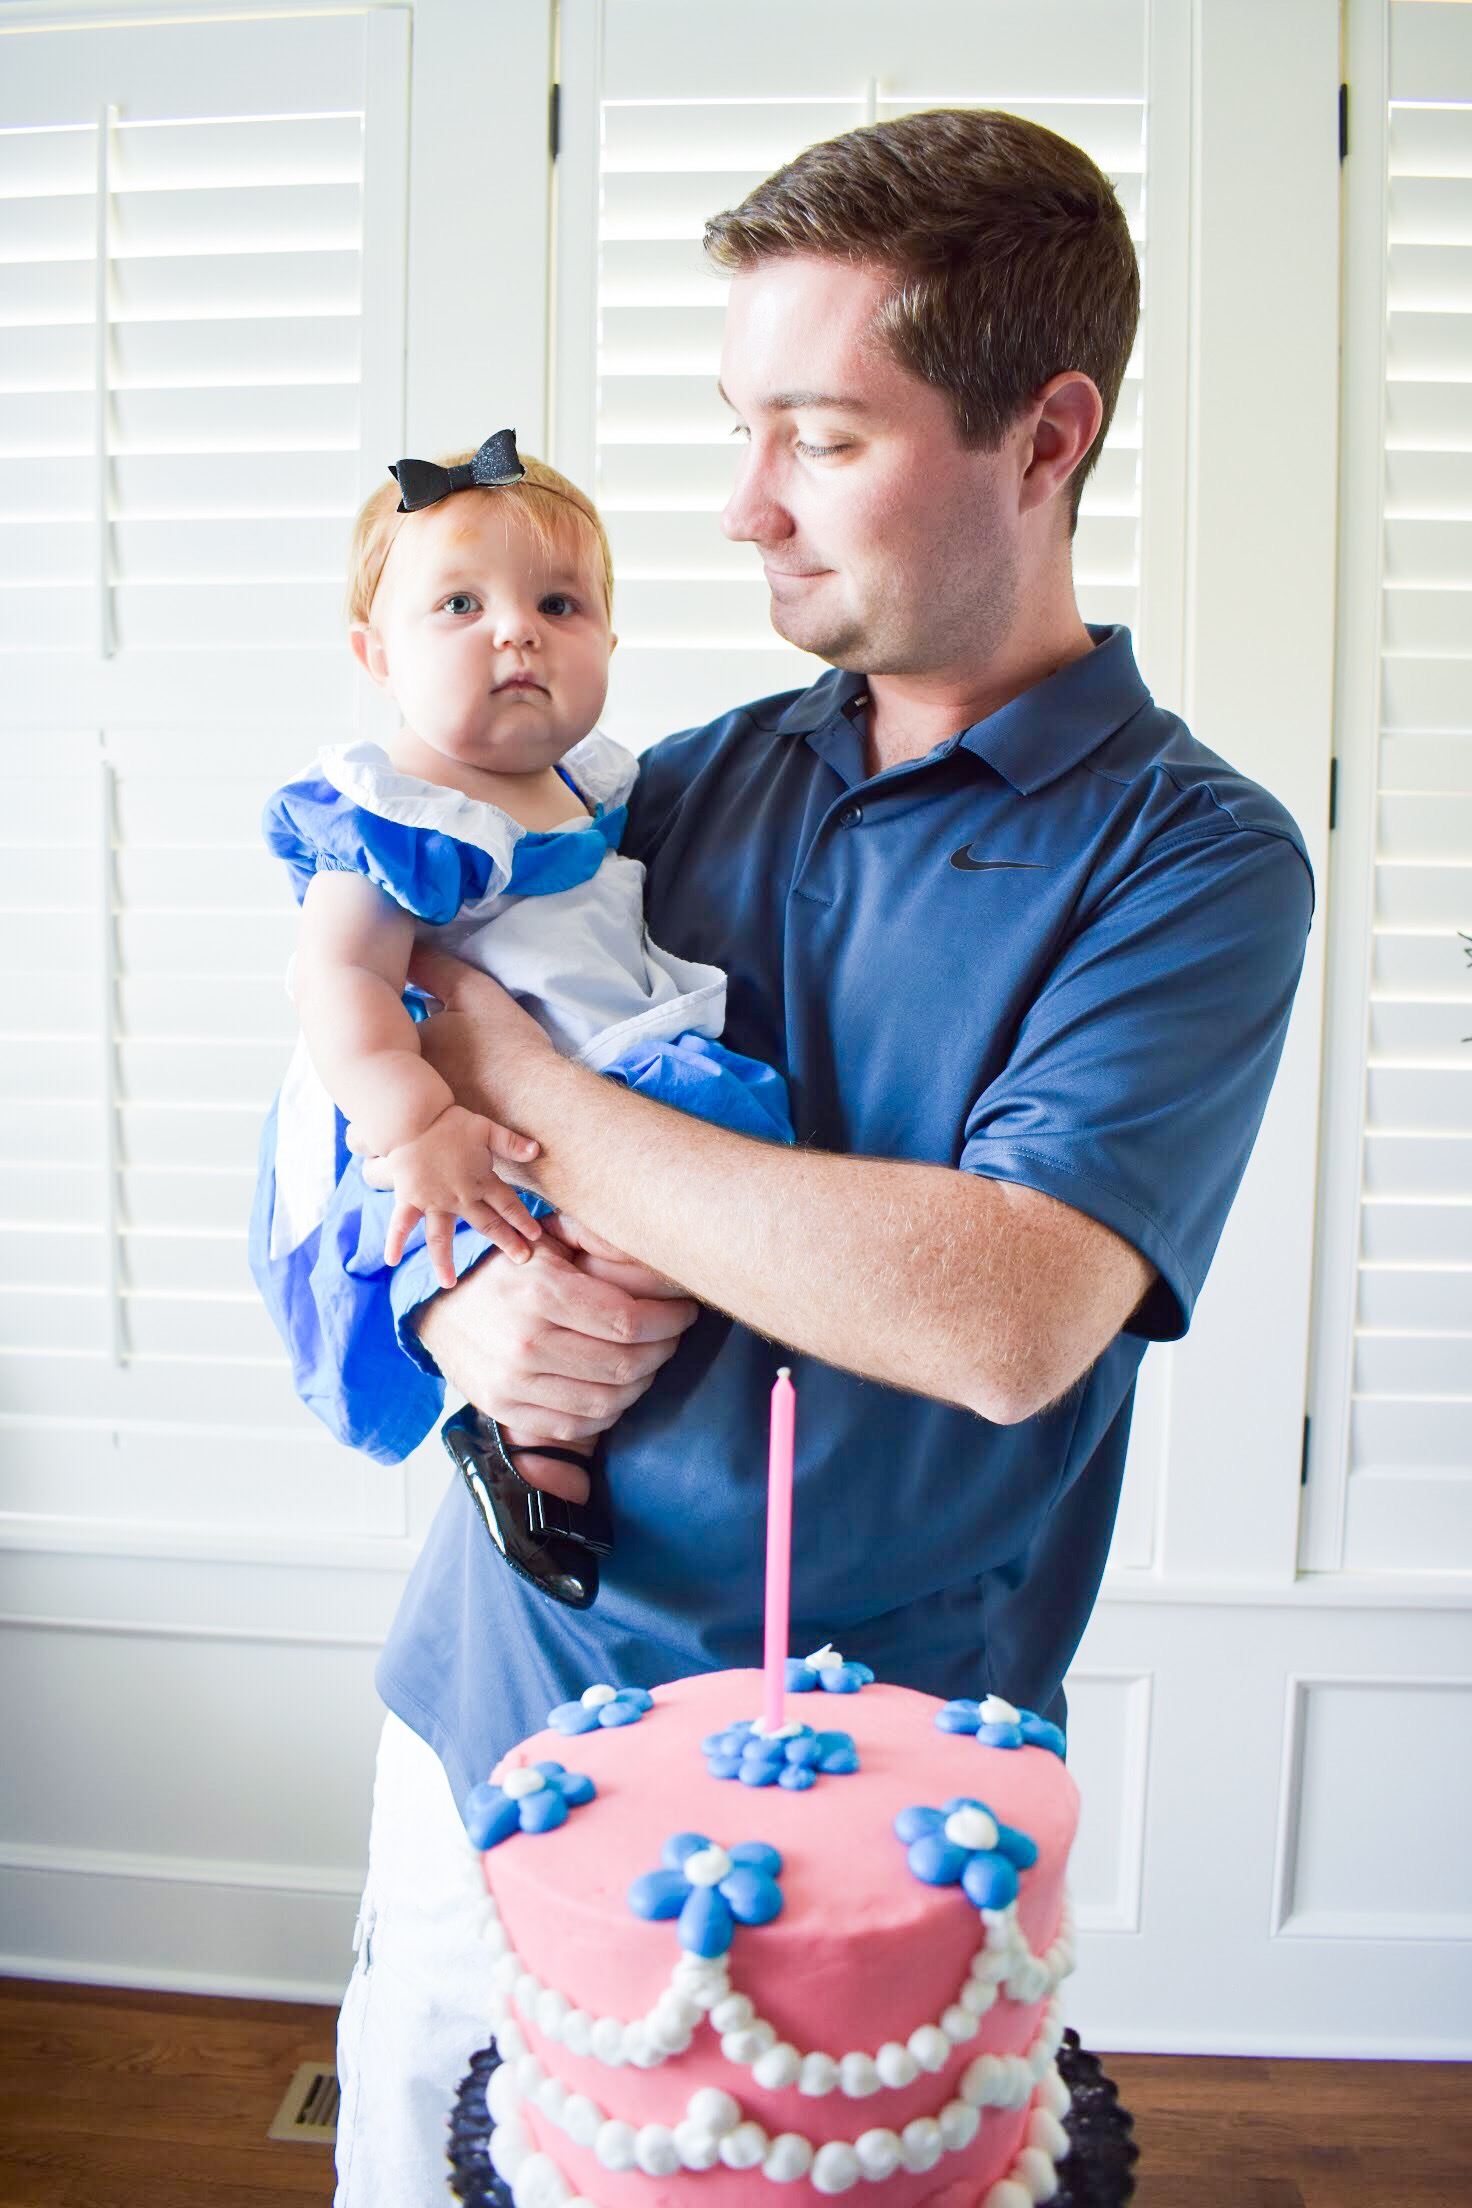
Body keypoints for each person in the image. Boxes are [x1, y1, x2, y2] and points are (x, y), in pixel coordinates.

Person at [294, 110, 1313, 2204]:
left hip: (866, 1817)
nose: (741, 508)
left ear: (1045, 436)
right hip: (502, 1699)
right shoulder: (660, 787)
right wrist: (456, 1296)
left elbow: (1009, 1313)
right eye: (737, 425)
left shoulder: (1191, 863)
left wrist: (529, 1084)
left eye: (822, 437)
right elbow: (351, 1074)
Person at [251, 445, 790, 1570]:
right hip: (479, 1134)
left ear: (607, 639)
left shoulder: (594, 785)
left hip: (609, 1079)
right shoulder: (398, 811)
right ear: (376, 654)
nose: (517, 631)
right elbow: (339, 980)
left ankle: (555, 1430)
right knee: (570, 1269)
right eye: (459, 604)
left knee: (674, 1233)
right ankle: (535, 1444)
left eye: (559, 603)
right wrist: (413, 1126)